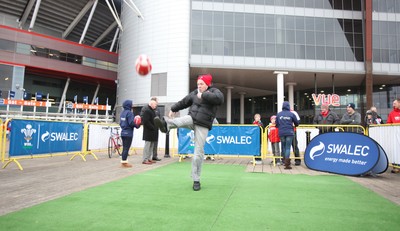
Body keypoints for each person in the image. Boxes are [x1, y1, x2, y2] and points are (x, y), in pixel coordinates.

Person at [154, 74, 224, 191]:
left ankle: (196, 179)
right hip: (192, 118)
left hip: (203, 124)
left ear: (207, 84)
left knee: (198, 154)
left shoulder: (214, 91)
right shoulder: (195, 93)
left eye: (201, 84)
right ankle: (166, 125)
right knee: (180, 120)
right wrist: (173, 109)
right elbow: (184, 101)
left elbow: (219, 99)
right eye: (198, 84)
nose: (199, 86)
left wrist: (204, 95)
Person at [276, 101, 300, 170]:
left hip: (281, 132)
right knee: (287, 148)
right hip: (290, 132)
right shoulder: (291, 114)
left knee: (283, 147)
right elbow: (297, 123)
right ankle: (287, 163)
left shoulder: (279, 114)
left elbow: (277, 124)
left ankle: (283, 161)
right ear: (288, 106)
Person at [119, 100, 140, 168]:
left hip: (123, 132)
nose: (132, 105)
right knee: (126, 148)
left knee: (124, 148)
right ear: (129, 105)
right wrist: (137, 125)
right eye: (131, 104)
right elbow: (131, 123)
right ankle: (124, 162)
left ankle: (123, 161)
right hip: (128, 133)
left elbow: (120, 123)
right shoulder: (130, 113)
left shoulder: (122, 113)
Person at [140, 97, 160, 165]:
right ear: (151, 104)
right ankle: (145, 159)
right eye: (155, 104)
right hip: (149, 132)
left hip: (152, 132)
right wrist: (152, 127)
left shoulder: (152, 111)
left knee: (151, 146)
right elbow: (146, 121)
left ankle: (149, 158)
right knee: (147, 146)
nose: (156, 106)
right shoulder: (147, 111)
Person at [387, 98, 400, 173]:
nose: (393, 105)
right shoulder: (392, 113)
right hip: (396, 136)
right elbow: (388, 123)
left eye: (395, 103)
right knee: (396, 149)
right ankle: (396, 166)